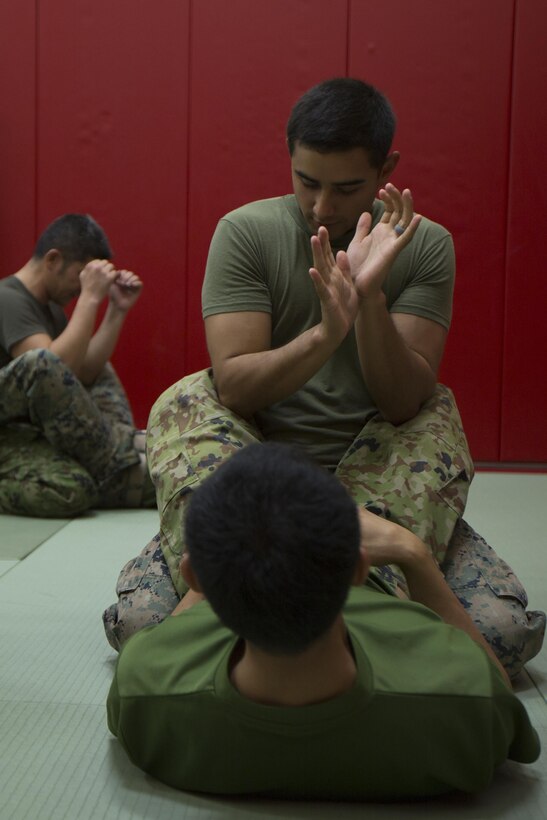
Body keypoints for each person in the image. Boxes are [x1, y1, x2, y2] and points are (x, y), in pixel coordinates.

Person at [103, 78, 544, 677]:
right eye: (306, 182)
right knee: (187, 404)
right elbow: (234, 387)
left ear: (386, 169)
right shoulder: (246, 233)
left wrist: (368, 297)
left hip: (379, 489)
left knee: (504, 635)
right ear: (289, 157)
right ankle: (305, 595)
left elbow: (401, 402)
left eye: (346, 188)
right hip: (259, 487)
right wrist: (323, 333)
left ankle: (299, 596)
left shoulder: (426, 245)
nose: (321, 207)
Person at [107, 442, 540, 800]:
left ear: (194, 576)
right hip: (371, 570)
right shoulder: (466, 701)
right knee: (430, 419)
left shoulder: (144, 689)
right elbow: (498, 694)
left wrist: (217, 562)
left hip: (263, 569)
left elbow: (167, 635)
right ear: (357, 568)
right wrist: (413, 555)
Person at [0, 213, 155, 517]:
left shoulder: (51, 311)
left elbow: (82, 374)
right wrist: (90, 297)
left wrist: (116, 310)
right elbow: (50, 372)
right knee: (45, 362)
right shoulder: (7, 299)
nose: (82, 286)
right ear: (53, 260)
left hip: (26, 429)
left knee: (97, 366)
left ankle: (118, 448)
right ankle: (120, 456)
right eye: (80, 275)